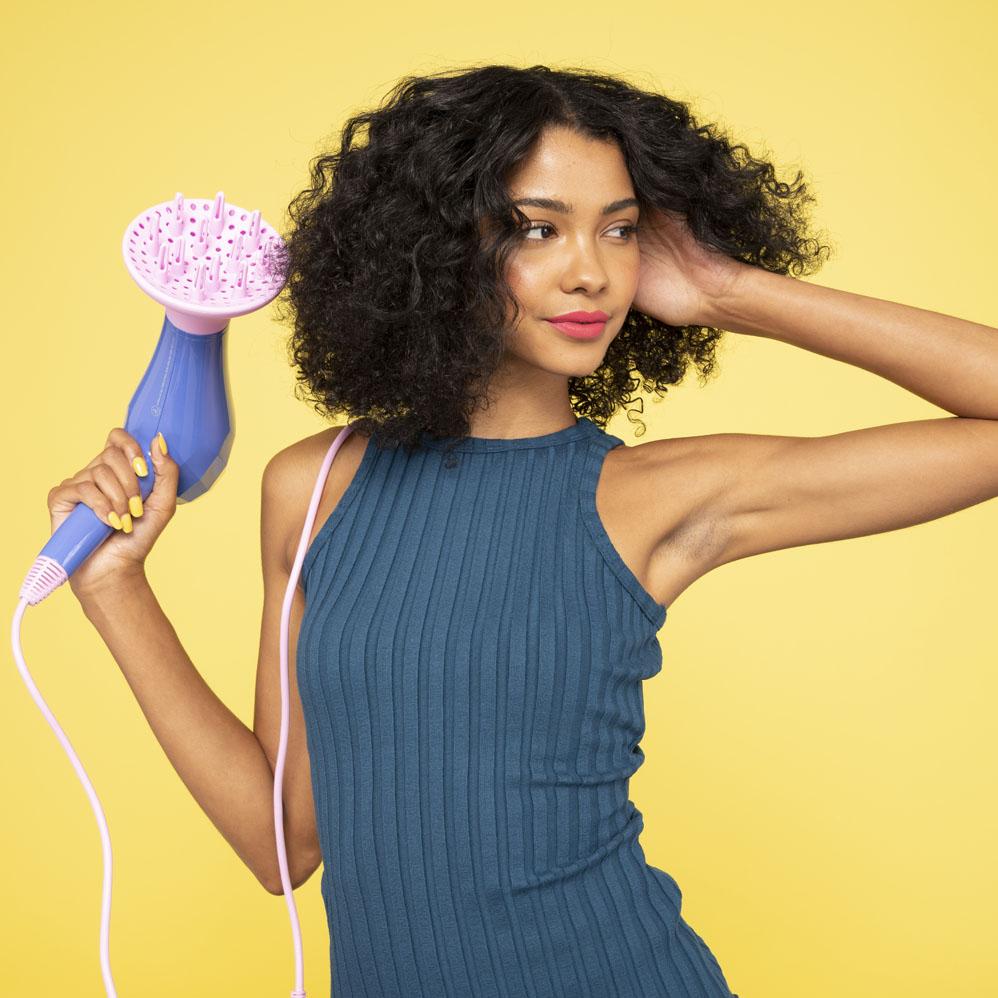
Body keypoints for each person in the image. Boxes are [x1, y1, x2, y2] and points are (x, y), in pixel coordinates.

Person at [50, 64, 998, 997]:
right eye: (536, 229)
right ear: (434, 246)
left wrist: (726, 291)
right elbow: (281, 844)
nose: (591, 271)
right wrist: (115, 587)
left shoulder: (659, 496)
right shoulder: (315, 485)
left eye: (620, 231)